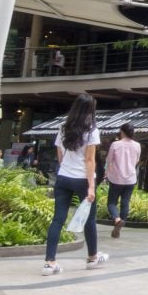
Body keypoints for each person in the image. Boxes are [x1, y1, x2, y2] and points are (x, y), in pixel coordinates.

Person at [43, 93, 108, 276]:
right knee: (89, 219)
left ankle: (50, 262)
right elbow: (89, 160)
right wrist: (91, 186)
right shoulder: (91, 130)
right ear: (90, 110)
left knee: (58, 219)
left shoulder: (63, 128)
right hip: (82, 179)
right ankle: (92, 257)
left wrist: (65, 168)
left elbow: (60, 155)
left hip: (63, 177)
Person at [105, 122, 141, 239]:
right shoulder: (137, 145)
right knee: (125, 202)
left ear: (122, 132)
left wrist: (107, 173)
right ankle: (122, 222)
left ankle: (117, 219)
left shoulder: (115, 144)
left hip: (116, 178)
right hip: (130, 178)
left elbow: (109, 160)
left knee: (112, 202)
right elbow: (136, 160)